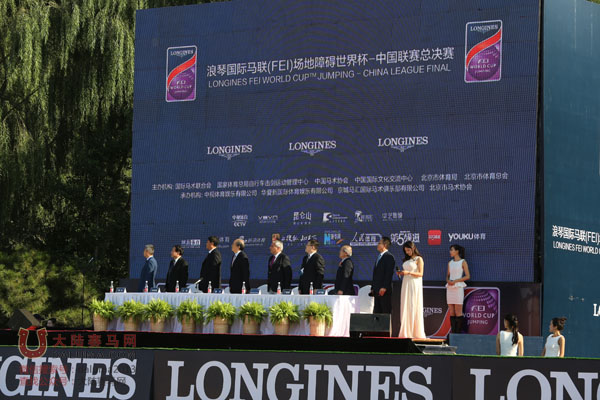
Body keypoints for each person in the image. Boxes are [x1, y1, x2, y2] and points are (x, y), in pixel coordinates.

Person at [397, 241, 426, 339]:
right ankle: (406, 331)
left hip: (414, 284)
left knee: (413, 305)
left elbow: (421, 274)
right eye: (405, 251)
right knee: (405, 305)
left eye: (408, 250)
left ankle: (415, 332)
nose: (407, 252)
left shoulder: (419, 259)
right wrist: (401, 273)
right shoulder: (407, 259)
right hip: (406, 283)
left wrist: (408, 273)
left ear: (413, 248)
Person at [446, 244, 470, 333]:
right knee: (451, 312)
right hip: (450, 288)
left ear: (457, 251)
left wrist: (456, 281)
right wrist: (448, 281)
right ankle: (453, 334)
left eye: (452, 250)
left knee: (458, 311)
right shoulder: (450, 263)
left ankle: (457, 335)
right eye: (450, 250)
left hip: (458, 287)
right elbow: (447, 276)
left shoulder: (463, 262)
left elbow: (467, 276)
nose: (450, 252)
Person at [370, 237, 395, 313]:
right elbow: (376, 274)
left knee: (385, 311)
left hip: (384, 290)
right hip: (376, 290)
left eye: (379, 243)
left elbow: (389, 273)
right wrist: (373, 287)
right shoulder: (379, 256)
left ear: (385, 245)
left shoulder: (389, 257)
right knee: (377, 312)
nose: (377, 245)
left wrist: (384, 287)